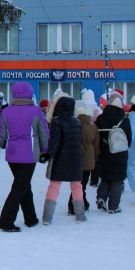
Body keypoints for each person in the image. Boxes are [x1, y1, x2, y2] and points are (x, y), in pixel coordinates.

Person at [0, 82, 49, 232]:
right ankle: (6, 222)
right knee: (20, 187)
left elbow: (1, 134)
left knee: (24, 185)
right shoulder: (36, 111)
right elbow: (44, 133)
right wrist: (45, 150)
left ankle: (30, 218)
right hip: (29, 154)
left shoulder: (6, 111)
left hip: (12, 154)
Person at [41, 96, 86, 224]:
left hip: (61, 158)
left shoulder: (56, 122)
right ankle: (80, 216)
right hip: (75, 158)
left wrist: (47, 155)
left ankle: (47, 218)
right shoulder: (77, 122)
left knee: (54, 186)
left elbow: (55, 143)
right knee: (77, 186)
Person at [95, 92, 131, 213]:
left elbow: (97, 136)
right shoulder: (124, 120)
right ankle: (113, 207)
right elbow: (129, 139)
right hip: (120, 152)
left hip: (104, 152)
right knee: (117, 179)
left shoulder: (100, 118)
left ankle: (101, 198)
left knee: (105, 178)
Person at [67, 101, 100, 215]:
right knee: (83, 183)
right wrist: (96, 157)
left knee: (76, 183)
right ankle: (79, 204)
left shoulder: (73, 126)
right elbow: (96, 145)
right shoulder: (93, 127)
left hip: (75, 157)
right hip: (89, 158)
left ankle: (74, 205)